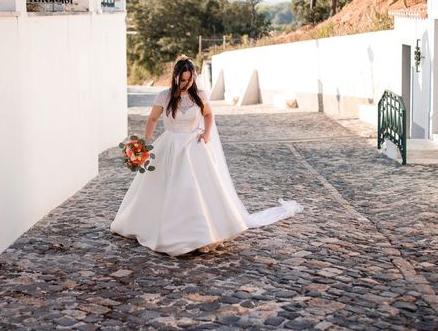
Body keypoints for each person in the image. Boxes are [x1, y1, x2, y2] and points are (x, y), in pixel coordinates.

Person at [111, 55, 302, 256]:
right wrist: (145, 143)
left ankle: (202, 234)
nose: (186, 83)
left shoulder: (199, 95)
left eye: (189, 79)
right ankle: (164, 230)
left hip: (193, 146)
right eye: (182, 79)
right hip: (169, 145)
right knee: (164, 188)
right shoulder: (164, 96)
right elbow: (152, 119)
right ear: (175, 77)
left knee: (194, 188)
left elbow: (209, 115)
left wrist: (206, 134)